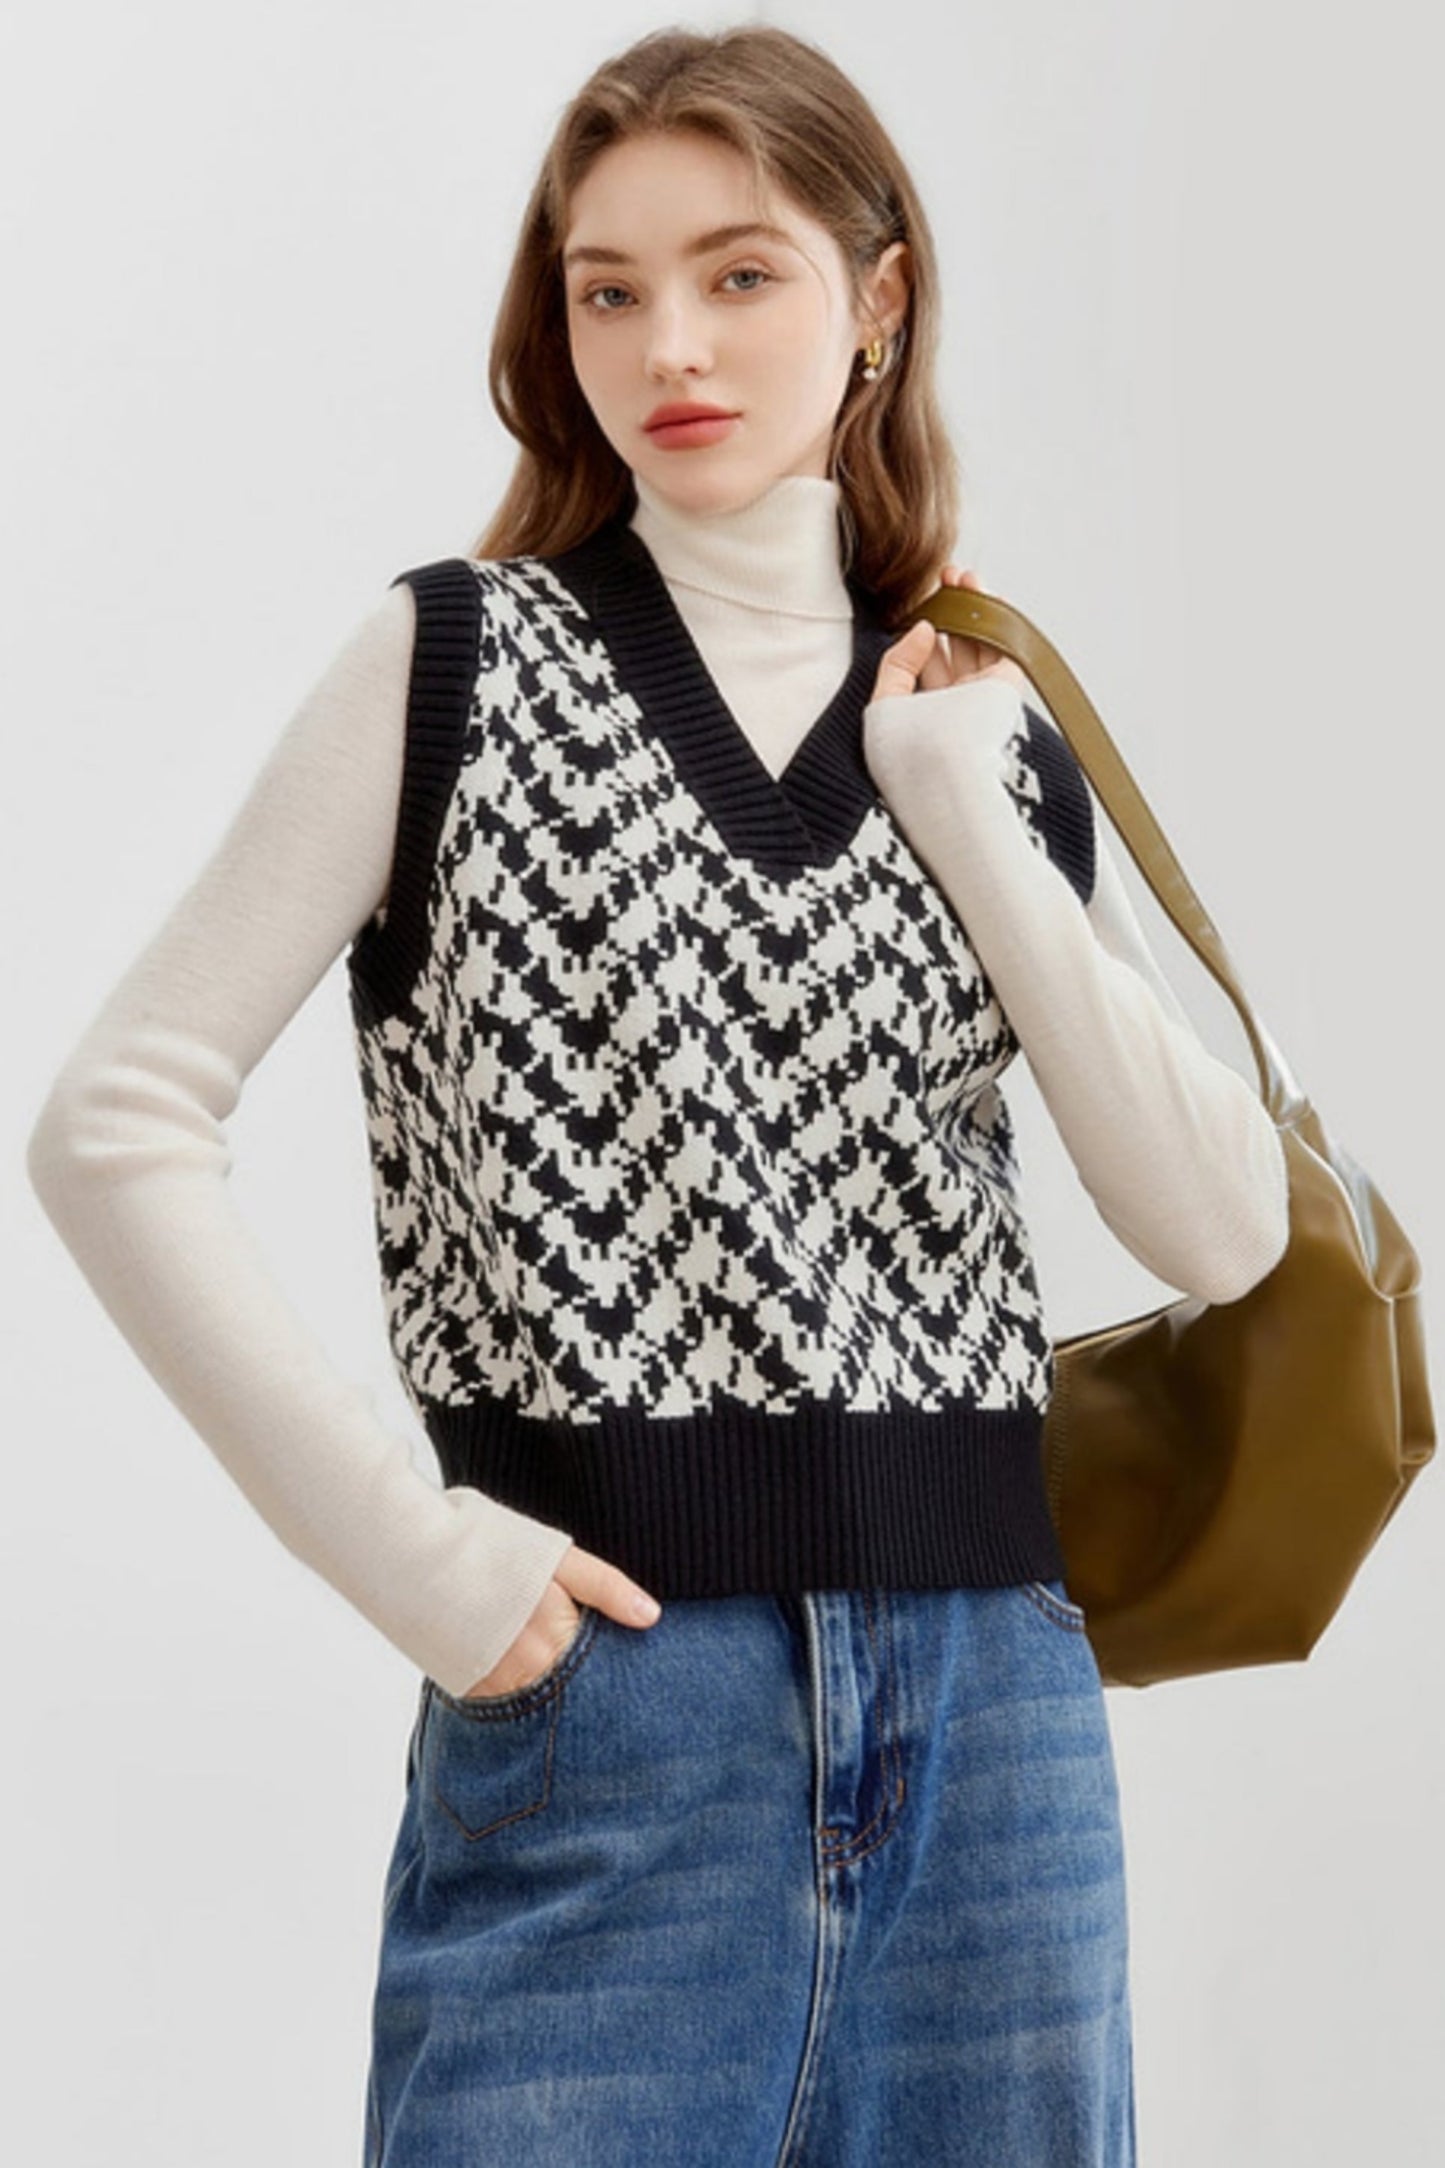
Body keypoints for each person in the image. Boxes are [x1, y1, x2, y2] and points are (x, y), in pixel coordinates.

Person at [25, 23, 1290, 2167]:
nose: (667, 346)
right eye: (606, 290)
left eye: (738, 274)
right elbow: (115, 1121)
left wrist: (966, 812)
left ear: (878, 300)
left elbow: (1225, 1226)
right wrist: (424, 1565)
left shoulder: (976, 715)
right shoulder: (454, 664)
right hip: (614, 1722)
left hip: (999, 1743)